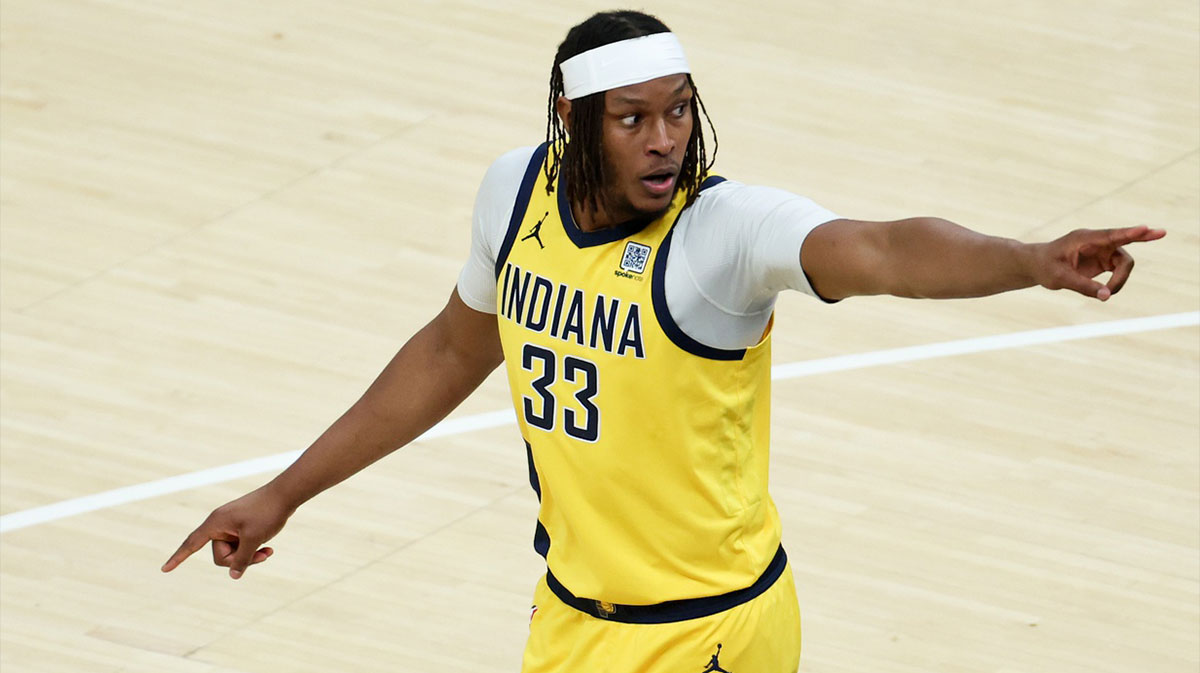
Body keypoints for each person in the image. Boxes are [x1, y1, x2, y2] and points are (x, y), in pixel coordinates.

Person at [162, 10, 1164, 672]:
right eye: (633, 118)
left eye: (679, 111)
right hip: (572, 616)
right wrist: (285, 491)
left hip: (713, 629)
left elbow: (885, 249)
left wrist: (1027, 258)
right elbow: (450, 351)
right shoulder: (515, 192)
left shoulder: (722, 234)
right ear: (572, 121)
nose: (665, 139)